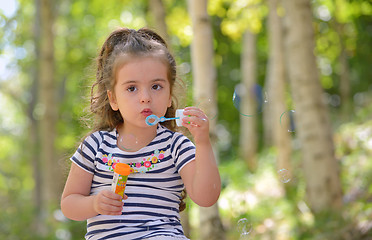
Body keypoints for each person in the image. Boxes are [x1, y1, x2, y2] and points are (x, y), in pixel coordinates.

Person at [61, 27, 221, 240]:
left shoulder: (176, 146)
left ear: (169, 95)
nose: (145, 97)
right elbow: (69, 203)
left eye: (156, 86)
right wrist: (94, 203)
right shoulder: (95, 145)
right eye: (132, 88)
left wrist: (202, 142)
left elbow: (207, 196)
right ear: (113, 99)